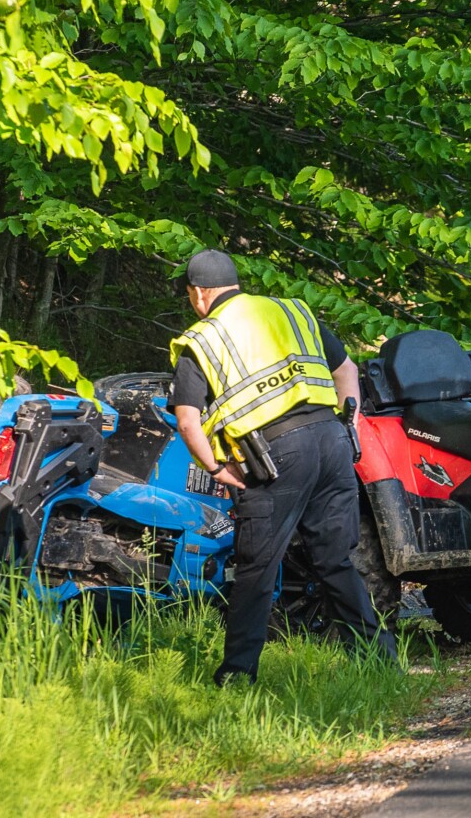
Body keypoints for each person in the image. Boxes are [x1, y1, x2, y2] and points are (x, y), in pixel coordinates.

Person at [168, 249, 397, 683]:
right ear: (235, 284)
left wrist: (217, 470)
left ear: (199, 294)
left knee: (257, 567)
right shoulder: (291, 312)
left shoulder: (202, 339)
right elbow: (346, 369)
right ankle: (380, 661)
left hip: (275, 455)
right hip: (331, 442)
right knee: (335, 559)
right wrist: (348, 425)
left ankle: (237, 674)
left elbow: (187, 420)